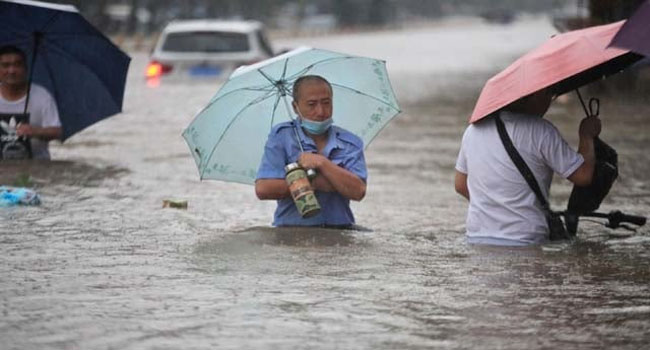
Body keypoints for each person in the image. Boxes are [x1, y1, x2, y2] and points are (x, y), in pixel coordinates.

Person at [454, 88, 602, 246]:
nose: (549, 102)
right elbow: (583, 176)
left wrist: (497, 205)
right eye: (548, 95)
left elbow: (461, 185)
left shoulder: (473, 131)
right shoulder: (541, 131)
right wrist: (586, 137)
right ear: (534, 96)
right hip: (525, 241)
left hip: (477, 239)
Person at [255, 75, 367, 227]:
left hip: (339, 231)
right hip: (290, 231)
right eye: (311, 104)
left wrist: (322, 163)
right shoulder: (282, 136)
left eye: (326, 103)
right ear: (295, 107)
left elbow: (358, 191)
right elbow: (263, 189)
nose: (320, 111)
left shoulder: (350, 143)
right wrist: (315, 182)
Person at [0, 45, 61, 160]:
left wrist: (35, 131)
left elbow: (57, 131)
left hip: (37, 166)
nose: (11, 70)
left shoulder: (42, 96)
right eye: (5, 65)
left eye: (17, 65)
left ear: (25, 69)